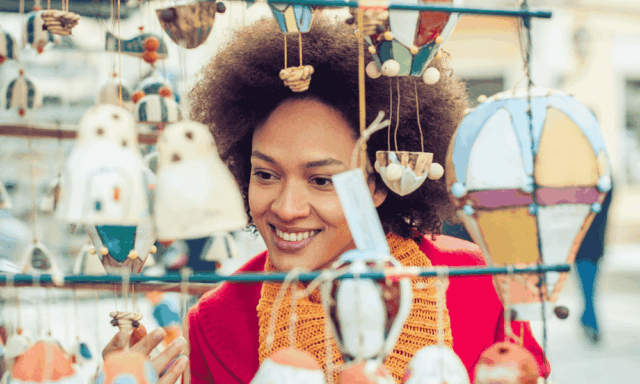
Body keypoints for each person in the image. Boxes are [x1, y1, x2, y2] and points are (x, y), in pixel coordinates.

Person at [103, 14, 550, 384]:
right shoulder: (217, 323)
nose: (286, 206)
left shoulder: (477, 282)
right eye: (265, 174)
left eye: (322, 180)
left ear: (379, 183)